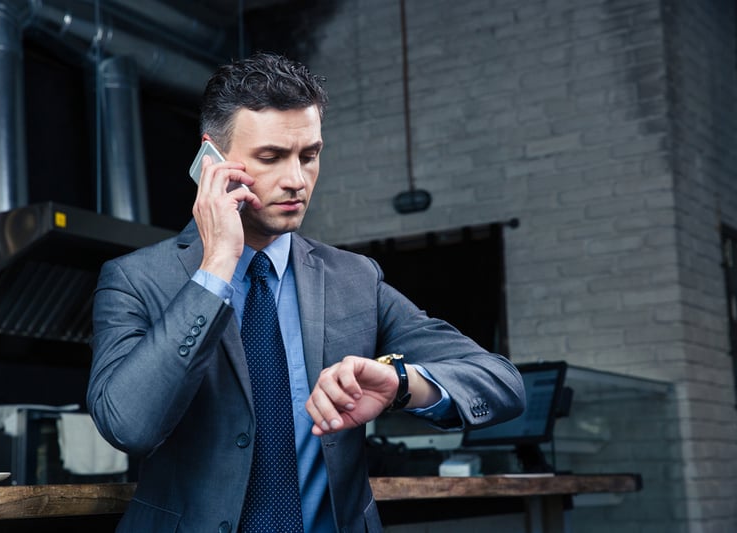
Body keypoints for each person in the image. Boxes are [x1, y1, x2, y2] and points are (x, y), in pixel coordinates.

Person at [87, 51, 525, 533]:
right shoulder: (134, 279)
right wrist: (215, 270)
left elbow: (500, 382)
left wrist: (401, 384)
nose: (297, 179)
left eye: (309, 155)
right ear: (211, 159)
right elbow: (128, 425)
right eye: (271, 157)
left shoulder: (356, 279)